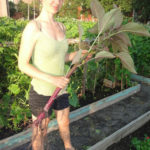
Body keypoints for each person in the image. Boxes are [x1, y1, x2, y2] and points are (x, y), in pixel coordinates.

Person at [18, 0, 89, 150]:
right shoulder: (34, 27)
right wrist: (52, 79)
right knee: (41, 132)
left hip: (61, 90)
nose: (57, 2)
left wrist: (76, 55)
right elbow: (23, 64)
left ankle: (69, 147)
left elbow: (60, 57)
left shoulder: (61, 27)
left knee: (64, 123)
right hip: (42, 91)